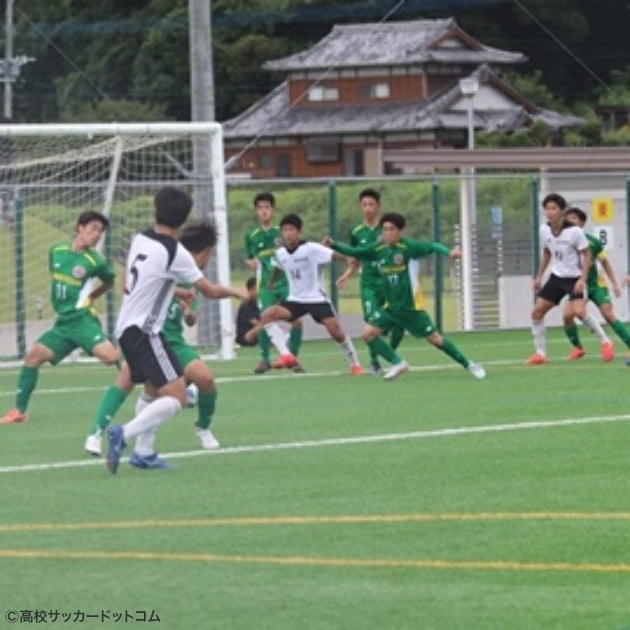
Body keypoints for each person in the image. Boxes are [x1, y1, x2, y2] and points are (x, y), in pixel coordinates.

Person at [105, 186, 248, 474]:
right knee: (177, 398)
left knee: (151, 390)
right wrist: (236, 291)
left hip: (125, 328)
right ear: (182, 220)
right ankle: (124, 433)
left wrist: (174, 292)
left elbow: (144, 280)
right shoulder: (176, 253)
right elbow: (207, 290)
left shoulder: (140, 238)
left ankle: (144, 453)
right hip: (145, 332)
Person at [84, 219, 227, 456]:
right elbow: (130, 283)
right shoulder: (168, 262)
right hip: (148, 336)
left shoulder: (189, 276)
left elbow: (191, 320)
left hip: (173, 343)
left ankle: (200, 430)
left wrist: (189, 313)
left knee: (204, 380)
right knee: (128, 381)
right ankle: (96, 434)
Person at [324, 212, 485, 381]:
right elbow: (355, 251)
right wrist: (334, 244)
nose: (387, 233)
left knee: (436, 340)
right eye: (385, 229)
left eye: (391, 229)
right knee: (368, 334)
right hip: (390, 308)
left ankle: (469, 364)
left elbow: (432, 246)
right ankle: (397, 363)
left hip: (410, 309)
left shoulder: (408, 248)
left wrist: (449, 252)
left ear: (400, 231)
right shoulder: (378, 249)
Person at [0, 211, 119, 426]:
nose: (97, 234)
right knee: (34, 356)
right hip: (63, 324)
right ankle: (19, 411)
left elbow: (110, 281)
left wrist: (90, 298)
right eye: (93, 228)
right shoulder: (56, 251)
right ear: (79, 228)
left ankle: (138, 359)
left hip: (82, 319)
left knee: (110, 358)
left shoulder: (95, 262)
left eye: (100, 232)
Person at [245, 213, 364, 375]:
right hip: (296, 300)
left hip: (316, 298)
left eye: (291, 229)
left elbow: (334, 255)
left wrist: (347, 259)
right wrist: (272, 282)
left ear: (298, 231)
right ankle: (286, 355)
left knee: (336, 333)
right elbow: (278, 267)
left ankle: (355, 363)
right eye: (285, 230)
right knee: (267, 315)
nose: (288, 233)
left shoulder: (311, 249)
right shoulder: (281, 253)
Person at [335, 188, 405, 375]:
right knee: (372, 324)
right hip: (368, 285)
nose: (368, 208)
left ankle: (390, 355)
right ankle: (374, 361)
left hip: (389, 284)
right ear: (360, 207)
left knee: (399, 323)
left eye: (371, 204)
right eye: (365, 204)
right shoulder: (356, 232)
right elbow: (355, 258)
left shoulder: (387, 230)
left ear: (378, 206)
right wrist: (347, 274)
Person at [526, 193, 592, 365]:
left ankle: (604, 340)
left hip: (574, 278)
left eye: (554, 208)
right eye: (547, 208)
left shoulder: (575, 232)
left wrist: (582, 279)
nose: (550, 212)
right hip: (556, 277)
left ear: (562, 211)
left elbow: (587, 254)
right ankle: (540, 354)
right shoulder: (544, 229)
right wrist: (539, 276)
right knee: (536, 312)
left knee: (579, 312)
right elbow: (547, 252)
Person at [245, 192, 304, 373]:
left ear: (273, 210)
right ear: (256, 211)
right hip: (266, 286)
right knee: (265, 319)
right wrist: (252, 263)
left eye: (267, 207)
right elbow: (249, 259)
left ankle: (292, 357)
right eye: (260, 208)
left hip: (286, 283)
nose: (264, 211)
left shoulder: (282, 231)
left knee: (297, 320)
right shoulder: (252, 235)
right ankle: (264, 359)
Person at [562, 206, 626, 361]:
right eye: (567, 218)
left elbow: (605, 262)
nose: (570, 221)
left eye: (574, 218)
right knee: (567, 316)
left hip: (596, 284)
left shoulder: (593, 241)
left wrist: (615, 284)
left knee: (608, 314)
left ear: (582, 223)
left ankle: (611, 343)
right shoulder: (563, 242)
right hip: (577, 285)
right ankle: (578, 348)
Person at [235, 277, 260, 347]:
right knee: (264, 326)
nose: (258, 292)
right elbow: (255, 322)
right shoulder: (245, 305)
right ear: (250, 290)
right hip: (245, 338)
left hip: (254, 337)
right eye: (256, 290)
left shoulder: (258, 304)